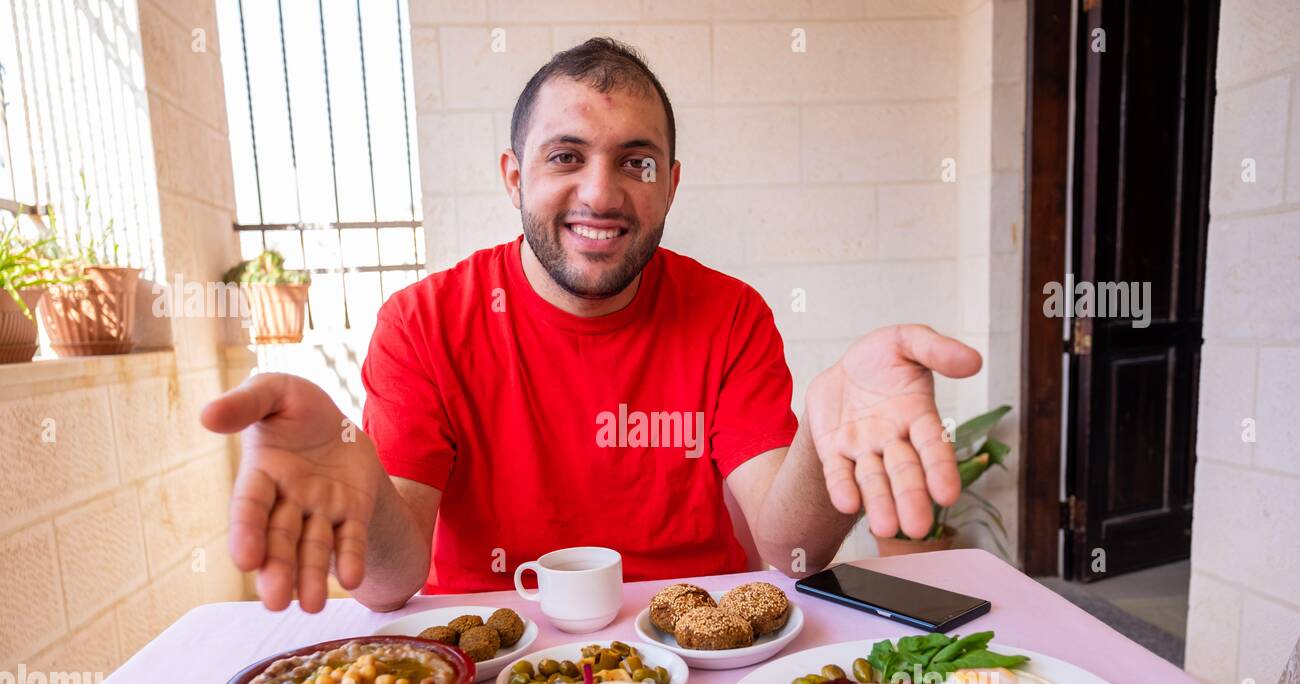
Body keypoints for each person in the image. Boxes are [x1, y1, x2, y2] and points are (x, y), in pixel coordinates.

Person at [201, 37, 981, 614]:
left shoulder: (731, 314)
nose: (601, 194)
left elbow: (791, 550)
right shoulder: (423, 322)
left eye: (636, 162)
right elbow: (392, 579)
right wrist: (359, 477)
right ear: (516, 177)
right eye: (566, 156)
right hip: (493, 664)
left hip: (697, 649)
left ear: (670, 184)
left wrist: (822, 432)